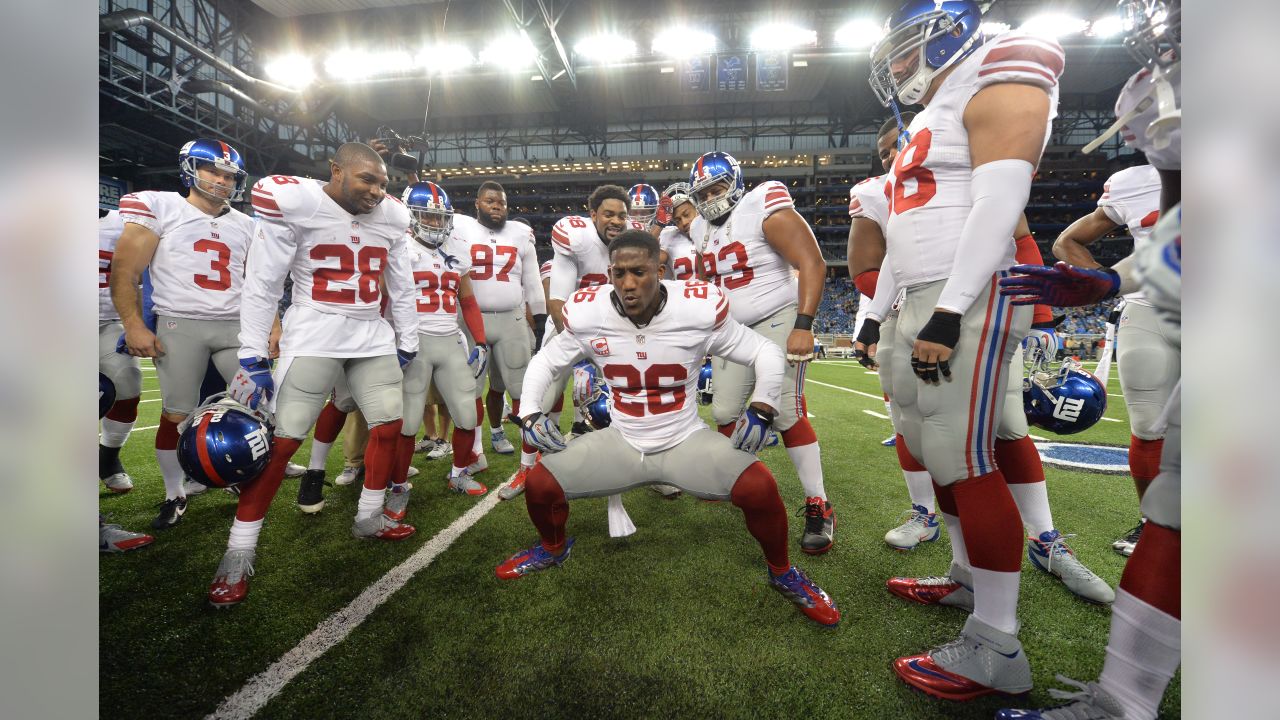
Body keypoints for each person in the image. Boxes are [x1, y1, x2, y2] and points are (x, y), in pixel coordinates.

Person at [864, 0, 1067, 699]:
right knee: (928, 445)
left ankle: (997, 645)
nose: (894, 65)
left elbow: (999, 201)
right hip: (919, 291)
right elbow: (903, 229)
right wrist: (874, 318)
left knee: (966, 456)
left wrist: (950, 312)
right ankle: (965, 578)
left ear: (949, 29)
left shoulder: (1002, 64)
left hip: (965, 294)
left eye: (904, 47)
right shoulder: (933, 109)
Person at [496, 229, 840, 627]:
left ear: (660, 271)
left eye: (639, 272)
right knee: (540, 484)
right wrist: (531, 411)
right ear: (609, 272)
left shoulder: (695, 309)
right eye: (619, 273)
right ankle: (553, 548)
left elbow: (763, 350)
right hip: (622, 440)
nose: (628, 284)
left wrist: (762, 406)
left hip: (683, 439)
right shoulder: (588, 312)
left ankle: (782, 571)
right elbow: (545, 362)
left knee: (759, 486)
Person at [997, 1, 1182, 717]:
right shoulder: (1163, 109)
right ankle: (1123, 701)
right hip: (1180, 310)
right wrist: (1112, 280)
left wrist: (1112, 279)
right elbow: (1183, 238)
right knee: (1173, 503)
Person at [209, 142, 419, 608]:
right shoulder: (297, 201)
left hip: (371, 333)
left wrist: (407, 341)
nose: (377, 190)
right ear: (336, 170)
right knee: (283, 441)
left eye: (383, 182)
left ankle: (369, 515)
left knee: (389, 426)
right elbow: (263, 283)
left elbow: (402, 286)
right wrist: (252, 352)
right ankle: (239, 551)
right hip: (314, 331)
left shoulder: (393, 218)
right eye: (367, 179)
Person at [688, 151, 835, 555]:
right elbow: (708, 282)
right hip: (731, 330)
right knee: (723, 412)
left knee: (785, 410)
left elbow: (812, 262)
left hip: (777, 315)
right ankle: (734, 480)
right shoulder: (698, 225)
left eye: (717, 187)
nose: (711, 197)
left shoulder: (762, 201)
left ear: (735, 183)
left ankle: (819, 503)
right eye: (703, 192)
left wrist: (803, 325)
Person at [111, 139, 255, 529]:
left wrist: (271, 325)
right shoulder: (162, 207)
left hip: (236, 325)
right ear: (191, 168)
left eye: (229, 175)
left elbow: (260, 282)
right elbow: (126, 271)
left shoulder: (247, 225)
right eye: (213, 171)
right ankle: (175, 493)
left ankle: (239, 472)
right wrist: (134, 324)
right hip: (180, 323)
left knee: (257, 405)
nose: (222, 181)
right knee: (176, 414)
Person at [1051, 163, 1172, 557]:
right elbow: (1067, 242)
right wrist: (1104, 281)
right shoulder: (1135, 181)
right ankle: (1155, 523)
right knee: (1149, 424)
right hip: (1149, 310)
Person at [391, 181, 491, 499]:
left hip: (449, 339)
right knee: (407, 423)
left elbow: (468, 301)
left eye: (439, 217)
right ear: (410, 214)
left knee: (467, 414)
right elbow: (382, 299)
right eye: (427, 216)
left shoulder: (457, 248)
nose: (434, 223)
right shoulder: (398, 246)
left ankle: (459, 474)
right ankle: (397, 485)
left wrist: (481, 340)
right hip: (413, 341)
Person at [452, 181, 547, 480]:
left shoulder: (520, 234)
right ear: (477, 203)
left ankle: (528, 457)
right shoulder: (460, 226)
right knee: (470, 391)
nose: (497, 206)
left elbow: (532, 281)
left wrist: (541, 320)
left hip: (511, 319)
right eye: (490, 201)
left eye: (502, 202)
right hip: (471, 319)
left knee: (522, 390)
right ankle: (476, 453)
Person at [98, 211, 142, 497]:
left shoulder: (122, 221)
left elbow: (137, 276)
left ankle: (107, 460)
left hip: (108, 320)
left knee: (127, 384)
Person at [656, 182, 701, 281]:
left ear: (697, 208)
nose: (683, 223)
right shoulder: (669, 237)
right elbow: (642, 259)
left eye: (686, 214)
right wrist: (659, 225)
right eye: (677, 220)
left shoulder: (712, 229)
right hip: (682, 295)